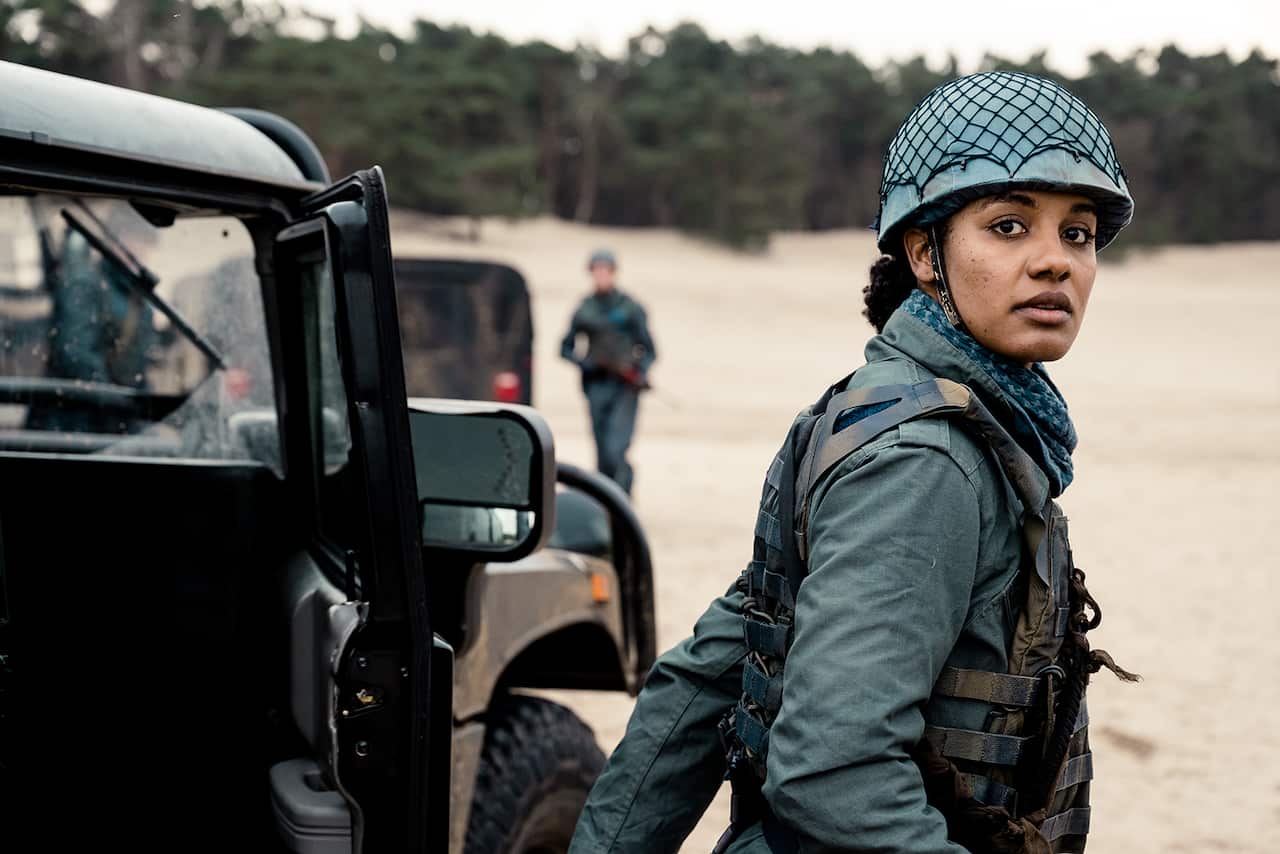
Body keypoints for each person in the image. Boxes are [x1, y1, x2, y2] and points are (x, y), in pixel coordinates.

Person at [569, 71, 1138, 854]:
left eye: (1077, 233)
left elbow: (711, 673)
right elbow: (833, 773)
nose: (1055, 262)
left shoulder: (883, 411)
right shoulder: (924, 459)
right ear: (926, 253)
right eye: (1009, 226)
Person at [560, 248, 656, 495]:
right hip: (596, 386)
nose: (601, 275)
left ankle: (623, 499)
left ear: (613, 273)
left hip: (624, 387)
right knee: (602, 453)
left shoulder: (630, 307)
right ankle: (606, 504)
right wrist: (586, 363)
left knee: (616, 449)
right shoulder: (585, 309)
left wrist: (640, 371)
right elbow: (565, 348)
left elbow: (649, 350)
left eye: (606, 270)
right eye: (597, 270)